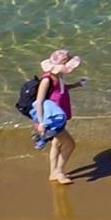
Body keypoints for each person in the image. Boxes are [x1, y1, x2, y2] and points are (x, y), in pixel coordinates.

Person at [23, 49, 83, 186]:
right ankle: (59, 172)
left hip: (58, 116)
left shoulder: (59, 75)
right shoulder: (47, 79)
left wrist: (76, 85)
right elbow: (39, 101)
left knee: (56, 143)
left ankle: (53, 173)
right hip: (50, 119)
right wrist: (42, 122)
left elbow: (61, 89)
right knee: (70, 145)